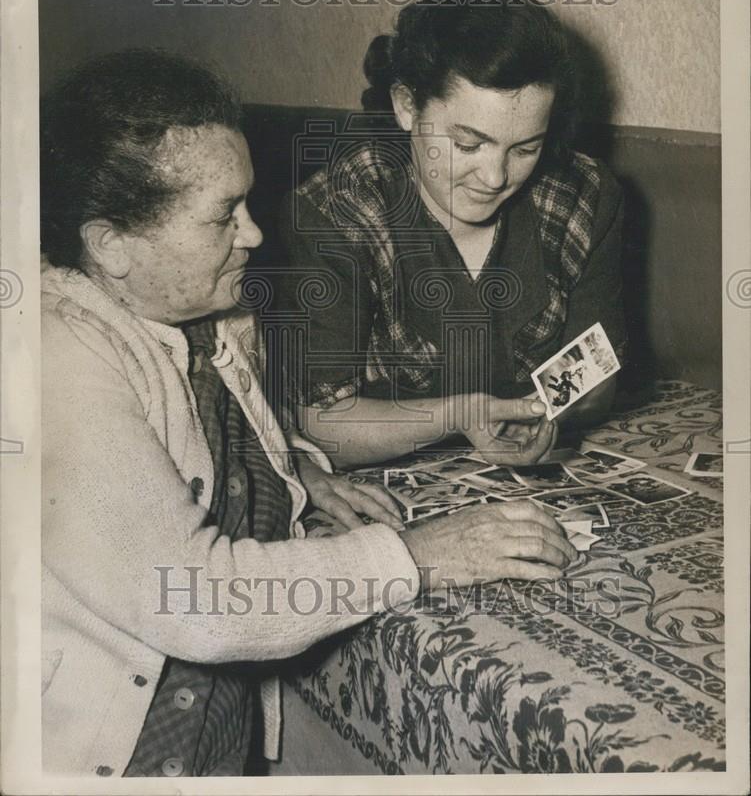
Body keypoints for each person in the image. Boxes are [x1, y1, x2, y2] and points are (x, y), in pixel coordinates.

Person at [40, 48, 578, 777]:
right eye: (223, 216)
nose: (254, 234)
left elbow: (204, 435)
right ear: (112, 246)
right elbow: (190, 597)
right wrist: (419, 555)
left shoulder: (207, 312)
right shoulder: (54, 352)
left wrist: (290, 467)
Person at [274, 0, 625, 470]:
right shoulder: (340, 210)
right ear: (405, 106)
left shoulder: (580, 198)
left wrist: (544, 414)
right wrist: (461, 415)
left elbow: (597, 377)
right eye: (467, 144)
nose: (496, 176)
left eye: (526, 148)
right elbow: (322, 423)